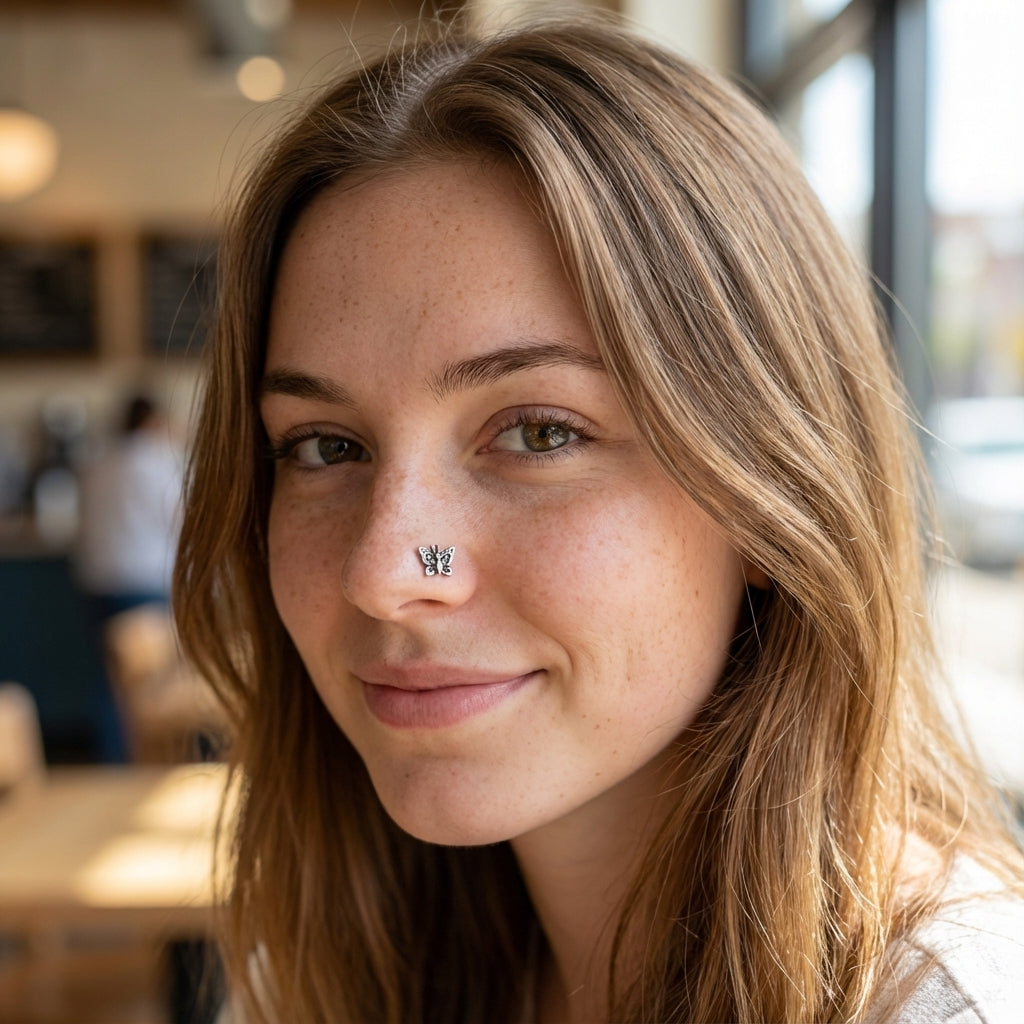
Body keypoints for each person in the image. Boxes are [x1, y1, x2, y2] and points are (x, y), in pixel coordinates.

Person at [173, 15, 1024, 1023]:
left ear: (765, 497)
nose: (385, 567)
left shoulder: (944, 1005)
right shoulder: (319, 971)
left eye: (537, 432)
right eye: (325, 446)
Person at [77, 393, 184, 621]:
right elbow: (181, 518)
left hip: (98, 585)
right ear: (154, 421)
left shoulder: (99, 462)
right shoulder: (156, 461)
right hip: (145, 583)